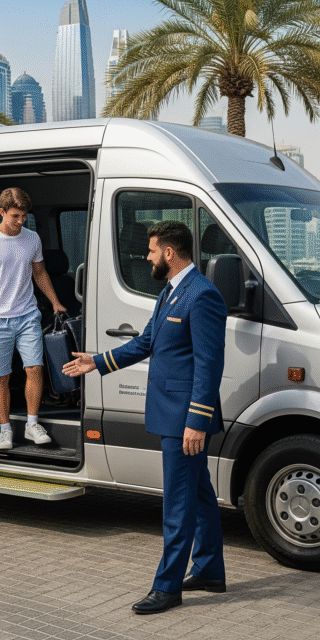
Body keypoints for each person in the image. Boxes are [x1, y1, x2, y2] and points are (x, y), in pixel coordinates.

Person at [63, 221, 227, 615]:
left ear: (169, 253)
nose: (148, 257)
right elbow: (148, 342)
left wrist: (196, 421)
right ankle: (209, 569)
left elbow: (209, 364)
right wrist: (97, 361)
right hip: (170, 413)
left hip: (183, 419)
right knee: (199, 493)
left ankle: (167, 587)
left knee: (178, 503)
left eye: (152, 251)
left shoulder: (202, 295)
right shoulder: (170, 291)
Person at [0, 187, 66, 450]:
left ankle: (31, 424)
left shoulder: (32, 239)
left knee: (34, 369)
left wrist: (55, 302)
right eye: (15, 216)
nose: (21, 221)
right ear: (2, 212)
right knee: (1, 377)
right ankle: (5, 429)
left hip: (28, 315)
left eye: (24, 216)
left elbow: (39, 273)